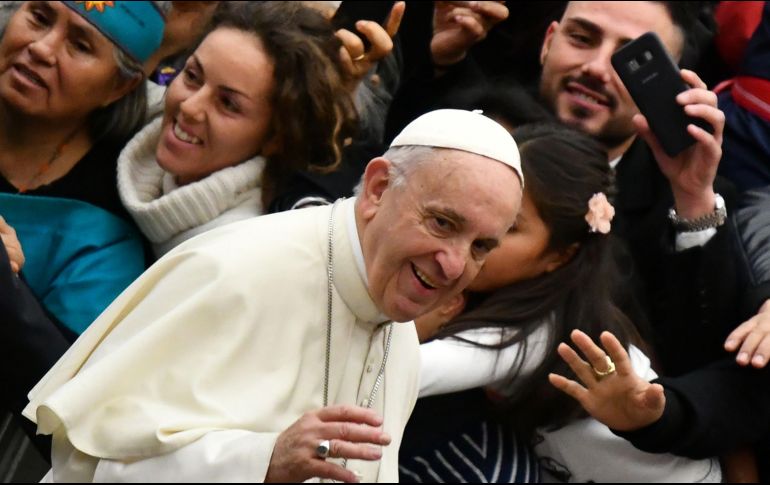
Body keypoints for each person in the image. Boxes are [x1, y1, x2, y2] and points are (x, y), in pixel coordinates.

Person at [22, 109, 524, 483]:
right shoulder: (234, 270)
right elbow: (91, 462)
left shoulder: (401, 343)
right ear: (376, 188)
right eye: (441, 223)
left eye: (481, 246)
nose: (455, 264)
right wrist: (260, 461)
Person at [400, 122, 720, 482]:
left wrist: (405, 329)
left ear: (560, 255)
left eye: (509, 227)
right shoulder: (518, 298)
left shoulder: (539, 333)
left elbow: (400, 372)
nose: (481, 234)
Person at [0, 0, 164, 456]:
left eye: (79, 45)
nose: (42, 49)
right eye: (38, 16)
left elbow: (62, 408)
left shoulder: (102, 236)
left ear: (120, 86)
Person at [117, 1, 358, 258]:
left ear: (276, 138)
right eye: (192, 76)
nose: (190, 107)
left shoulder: (236, 253)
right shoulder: (126, 126)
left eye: (228, 104)